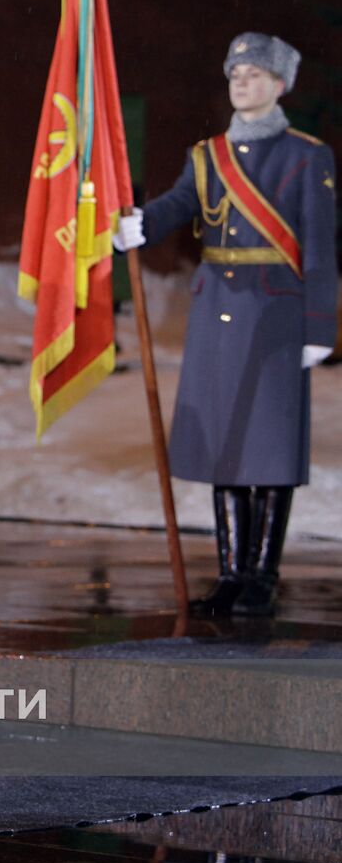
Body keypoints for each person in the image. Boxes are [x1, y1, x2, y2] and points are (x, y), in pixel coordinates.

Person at [115, 32, 337, 617]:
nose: (241, 82)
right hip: (217, 309)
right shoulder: (207, 154)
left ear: (279, 85)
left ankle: (263, 573)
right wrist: (140, 224)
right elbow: (179, 204)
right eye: (236, 74)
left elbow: (318, 248)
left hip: (277, 313)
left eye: (254, 75)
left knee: (270, 446)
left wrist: (319, 325)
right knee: (227, 442)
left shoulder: (307, 155)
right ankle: (231, 572)